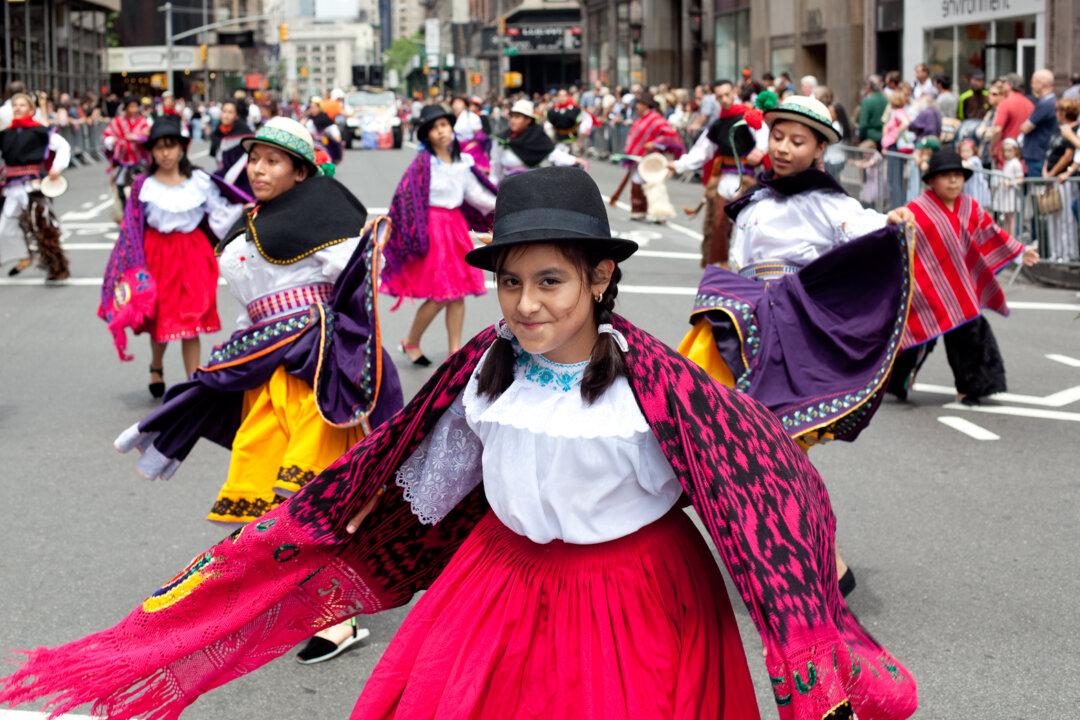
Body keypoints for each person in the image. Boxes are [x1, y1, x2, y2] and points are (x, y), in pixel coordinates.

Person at [0, 166, 919, 720]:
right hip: (494, 586)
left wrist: (814, 643)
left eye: (552, 281)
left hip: (634, 601)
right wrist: (319, 527)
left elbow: (763, 497)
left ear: (602, 279)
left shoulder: (666, 388)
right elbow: (405, 485)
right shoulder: (482, 367)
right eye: (512, 283)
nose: (527, 305)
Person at [109, 116, 404, 663]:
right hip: (264, 371)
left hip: (315, 371)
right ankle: (285, 593)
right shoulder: (247, 221)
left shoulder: (326, 220)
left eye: (273, 160)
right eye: (255, 158)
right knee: (263, 487)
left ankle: (339, 616)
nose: (260, 168)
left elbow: (358, 282)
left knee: (314, 492)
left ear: (300, 171)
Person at [677, 95, 916, 595]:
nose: (783, 148)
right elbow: (742, 261)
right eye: (779, 136)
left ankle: (827, 561)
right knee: (739, 444)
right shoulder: (757, 199)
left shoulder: (829, 202)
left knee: (775, 450)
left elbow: (868, 230)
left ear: (820, 150)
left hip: (789, 330)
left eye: (797, 141)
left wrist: (892, 221)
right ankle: (804, 558)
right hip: (743, 324)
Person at [97, 116, 248, 395]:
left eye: (171, 146)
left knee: (191, 321)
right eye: (159, 147)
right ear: (152, 151)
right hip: (157, 255)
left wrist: (246, 212)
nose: (165, 153)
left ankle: (194, 381)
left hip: (194, 254)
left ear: (182, 148)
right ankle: (156, 366)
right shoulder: (143, 185)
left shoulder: (200, 181)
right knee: (162, 318)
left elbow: (221, 213)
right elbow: (131, 228)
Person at [887, 149, 1039, 405]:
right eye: (946, 176)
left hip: (961, 287)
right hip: (925, 287)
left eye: (958, 175)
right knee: (917, 334)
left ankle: (971, 387)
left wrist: (1018, 252)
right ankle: (897, 381)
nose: (954, 181)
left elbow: (991, 233)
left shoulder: (971, 207)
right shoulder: (916, 210)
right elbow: (899, 242)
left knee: (970, 334)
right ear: (931, 181)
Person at [383, 103, 497, 366]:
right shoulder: (423, 164)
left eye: (444, 125)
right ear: (427, 135)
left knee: (457, 293)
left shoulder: (462, 163)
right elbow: (404, 199)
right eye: (434, 128)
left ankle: (454, 350)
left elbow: (477, 197)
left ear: (451, 128)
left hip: (455, 229)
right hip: (432, 231)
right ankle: (411, 341)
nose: (441, 131)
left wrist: (507, 202)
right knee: (440, 295)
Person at [670, 82, 769, 266]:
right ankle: (722, 264)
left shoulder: (748, 117)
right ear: (715, 98)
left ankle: (747, 265)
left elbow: (764, 136)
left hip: (747, 180)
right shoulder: (717, 124)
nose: (724, 99)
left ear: (734, 92)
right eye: (719, 96)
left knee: (747, 225)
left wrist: (761, 151)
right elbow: (702, 151)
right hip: (724, 180)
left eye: (726, 94)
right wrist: (678, 165)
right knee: (718, 224)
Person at [0, 92, 71, 280]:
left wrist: (56, 169)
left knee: (43, 227)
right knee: (5, 227)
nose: (17, 108)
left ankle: (57, 267)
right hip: (11, 187)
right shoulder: (5, 133)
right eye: (15, 105)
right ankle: (24, 256)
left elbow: (63, 147)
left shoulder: (40, 131)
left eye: (22, 105)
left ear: (31, 110)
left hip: (33, 186)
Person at [621, 93, 684, 221]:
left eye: (638, 104)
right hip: (639, 158)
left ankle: (659, 214)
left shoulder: (656, 119)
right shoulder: (640, 119)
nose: (636, 107)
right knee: (637, 183)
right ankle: (639, 211)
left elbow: (670, 135)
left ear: (645, 105)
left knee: (654, 185)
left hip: (652, 159)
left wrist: (656, 143)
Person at [490, 99, 581, 184]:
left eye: (517, 117)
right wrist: (494, 185)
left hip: (533, 184)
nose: (513, 120)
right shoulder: (502, 139)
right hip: (509, 185)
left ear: (528, 120)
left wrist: (574, 160)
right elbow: (496, 163)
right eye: (512, 116)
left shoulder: (537, 135)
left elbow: (552, 154)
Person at [1042, 98, 1079, 261]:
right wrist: (1045, 171)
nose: (1056, 114)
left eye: (1059, 111)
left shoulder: (1073, 130)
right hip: (1052, 179)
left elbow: (1068, 155)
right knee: (1053, 216)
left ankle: (1067, 253)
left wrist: (1053, 174)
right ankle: (1055, 252)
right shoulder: (1057, 130)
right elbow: (1050, 153)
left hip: (1064, 180)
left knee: (1065, 218)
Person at [103, 96, 151, 211]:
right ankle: (125, 211)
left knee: (142, 185)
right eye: (131, 107)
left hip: (139, 160)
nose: (134, 109)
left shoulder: (143, 122)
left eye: (135, 106)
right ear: (126, 108)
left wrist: (137, 138)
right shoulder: (117, 121)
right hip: (122, 160)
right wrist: (112, 140)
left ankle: (141, 210)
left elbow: (147, 136)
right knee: (120, 185)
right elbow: (107, 135)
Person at [208, 99, 254, 196]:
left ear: (236, 115)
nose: (226, 115)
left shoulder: (243, 132)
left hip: (240, 179)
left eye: (230, 112)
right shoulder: (218, 130)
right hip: (223, 173)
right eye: (224, 111)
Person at [1020, 69, 1059, 178]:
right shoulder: (1046, 102)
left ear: (1041, 84)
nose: (1031, 85)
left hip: (1038, 155)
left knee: (1037, 191)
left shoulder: (1046, 104)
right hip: (1038, 154)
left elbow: (1025, 127)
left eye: (1033, 82)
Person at [991, 75, 1033, 168]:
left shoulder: (1005, 104)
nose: (1002, 86)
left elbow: (997, 130)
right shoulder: (1029, 104)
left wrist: (992, 147)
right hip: (1023, 153)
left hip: (1006, 154)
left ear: (1009, 85)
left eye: (1004, 83)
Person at [450, 95, 490, 174]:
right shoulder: (450, 118)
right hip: (455, 149)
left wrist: (470, 147)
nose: (456, 105)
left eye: (459, 102)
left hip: (471, 149)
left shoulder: (472, 117)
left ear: (464, 104)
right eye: (454, 103)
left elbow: (479, 136)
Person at [993, 138, 1025, 234]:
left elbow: (1020, 179)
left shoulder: (1016, 163)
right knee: (1006, 217)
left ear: (1015, 151)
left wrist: (1011, 183)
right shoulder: (1007, 162)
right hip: (1005, 194)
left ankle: (1012, 237)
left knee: (1011, 218)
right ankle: (1007, 236)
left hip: (1011, 194)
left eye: (1009, 151)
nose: (1007, 153)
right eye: (1005, 151)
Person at [958, 138, 991, 209]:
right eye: (963, 151)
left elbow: (967, 165)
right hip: (970, 190)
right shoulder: (964, 160)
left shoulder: (975, 159)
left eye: (968, 151)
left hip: (978, 190)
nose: (965, 153)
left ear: (973, 151)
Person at [857, 75, 887, 145]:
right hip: (884, 138)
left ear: (868, 88)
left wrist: (860, 138)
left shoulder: (867, 101)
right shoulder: (886, 100)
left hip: (869, 139)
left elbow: (863, 125)